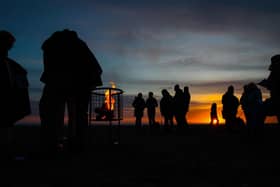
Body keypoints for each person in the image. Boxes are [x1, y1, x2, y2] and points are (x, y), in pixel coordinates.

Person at [39, 29, 103, 153]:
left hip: (76, 84)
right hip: (74, 84)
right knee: (75, 115)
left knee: (70, 114)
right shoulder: (78, 45)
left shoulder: (56, 46)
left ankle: (63, 143)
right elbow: (95, 68)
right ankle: (70, 142)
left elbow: (92, 68)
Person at [0, 30, 31, 157]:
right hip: (6, 98)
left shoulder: (8, 63)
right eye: (9, 44)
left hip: (9, 99)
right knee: (5, 124)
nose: (11, 47)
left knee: (6, 124)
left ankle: (6, 150)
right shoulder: (6, 63)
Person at [259, 54, 280, 123]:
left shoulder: (274, 72)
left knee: (261, 110)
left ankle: (257, 131)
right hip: (275, 99)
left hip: (275, 100)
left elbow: (271, 84)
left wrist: (264, 83)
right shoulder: (274, 72)